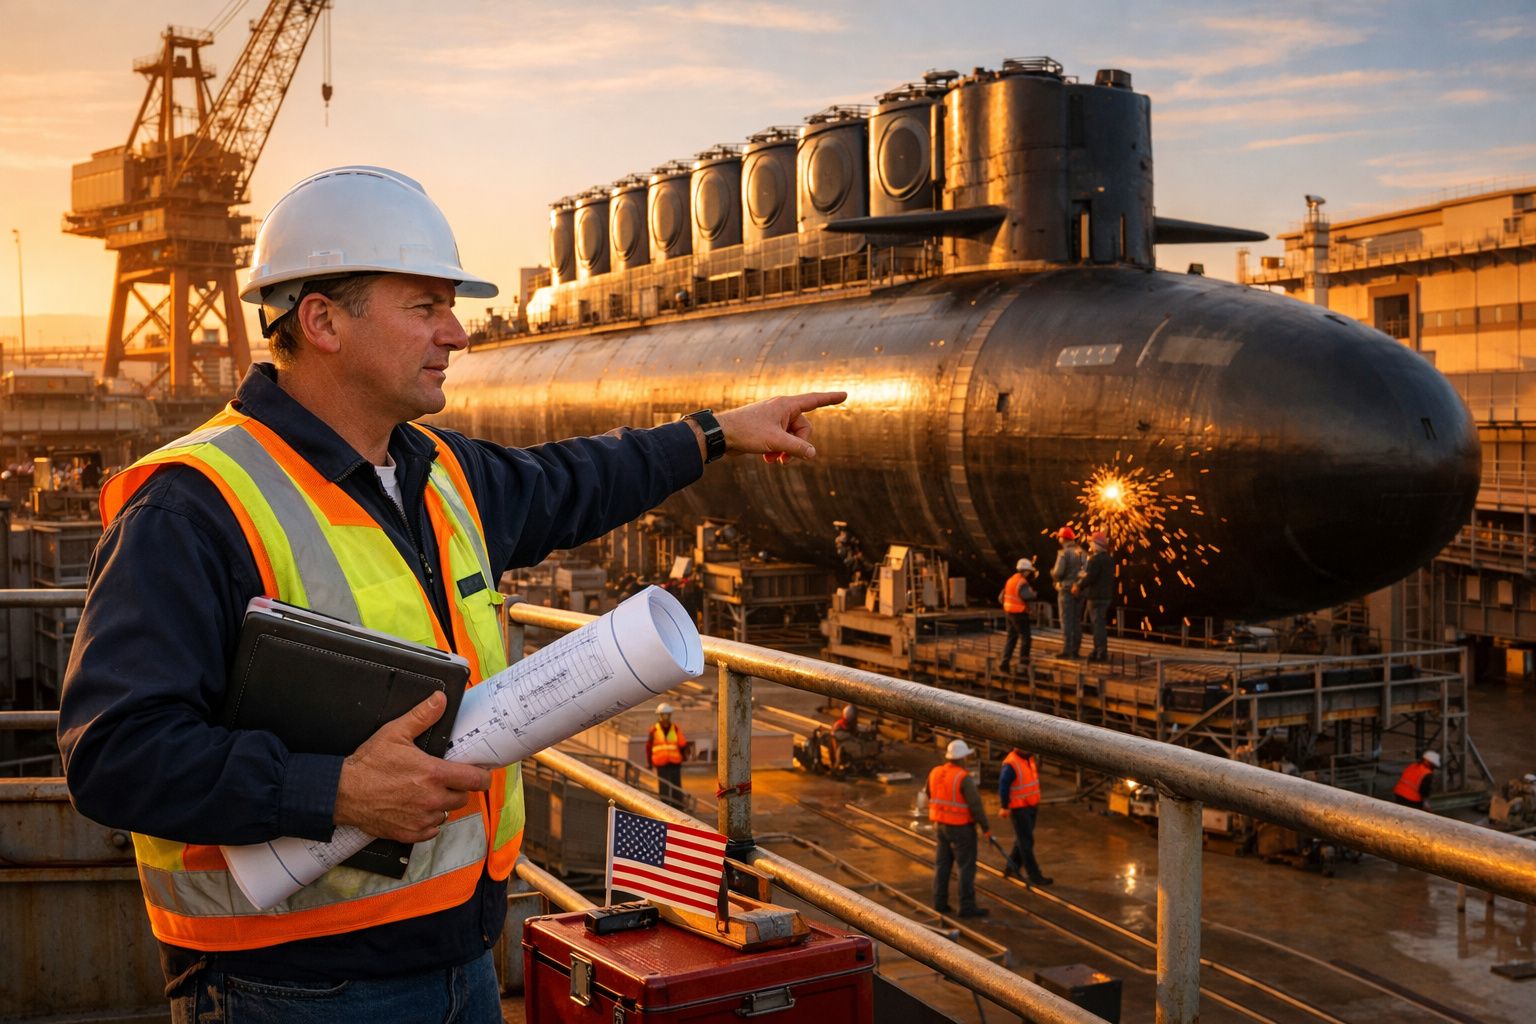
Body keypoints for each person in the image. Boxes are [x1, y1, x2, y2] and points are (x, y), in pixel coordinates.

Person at [55, 165, 846, 1023]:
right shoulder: (192, 506)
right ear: (321, 320)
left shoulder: (440, 474)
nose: (458, 333)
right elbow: (113, 752)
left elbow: (578, 477)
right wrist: (334, 792)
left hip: (461, 953)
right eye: (426, 306)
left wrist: (716, 434)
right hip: (290, 986)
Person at [926, 739, 992, 918]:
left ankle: (939, 902)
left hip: (941, 826)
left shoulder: (935, 772)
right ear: (962, 758)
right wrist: (985, 826)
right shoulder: (963, 777)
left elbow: (929, 793)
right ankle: (967, 907)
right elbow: (975, 805)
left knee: (942, 865)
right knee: (965, 868)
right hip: (962, 829)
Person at [996, 748, 1052, 886]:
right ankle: (1034, 875)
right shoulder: (1011, 764)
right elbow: (1003, 786)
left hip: (1031, 805)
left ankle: (1011, 867)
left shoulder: (1028, 758)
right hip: (1020, 808)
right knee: (1026, 842)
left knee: (1022, 839)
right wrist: (1004, 806)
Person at [1074, 530, 1113, 662]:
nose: (1090, 544)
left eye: (1091, 542)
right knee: (1099, 623)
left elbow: (1090, 577)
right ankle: (1098, 650)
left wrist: (1078, 585)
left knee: (1097, 625)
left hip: (1095, 597)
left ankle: (1100, 652)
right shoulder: (1109, 559)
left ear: (1097, 544)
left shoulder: (1095, 560)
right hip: (1106, 597)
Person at [1051, 527, 1086, 658]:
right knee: (1076, 620)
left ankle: (1067, 650)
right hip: (1079, 591)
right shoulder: (1082, 552)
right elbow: (1085, 573)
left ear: (1063, 538)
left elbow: (1058, 573)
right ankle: (1075, 650)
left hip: (1065, 590)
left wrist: (1052, 574)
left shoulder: (1063, 553)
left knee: (1066, 620)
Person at [997, 557, 1036, 674]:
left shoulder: (1010, 580)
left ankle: (1004, 663)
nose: (1029, 573)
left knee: (1011, 638)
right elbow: (1027, 596)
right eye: (1029, 571)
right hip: (1019, 614)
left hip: (1009, 613)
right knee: (1026, 638)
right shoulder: (1022, 582)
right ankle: (1022, 665)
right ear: (1025, 571)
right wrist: (1033, 593)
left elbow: (1000, 598)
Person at [646, 702, 688, 807]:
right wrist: (650, 763)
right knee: (663, 786)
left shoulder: (675, 728)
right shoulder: (654, 730)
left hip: (674, 762)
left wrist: (684, 756)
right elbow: (649, 747)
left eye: (667, 715)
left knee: (676, 785)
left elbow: (682, 743)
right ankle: (664, 806)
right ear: (659, 715)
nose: (665, 717)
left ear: (670, 715)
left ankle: (678, 806)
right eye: (663, 715)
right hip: (660, 762)